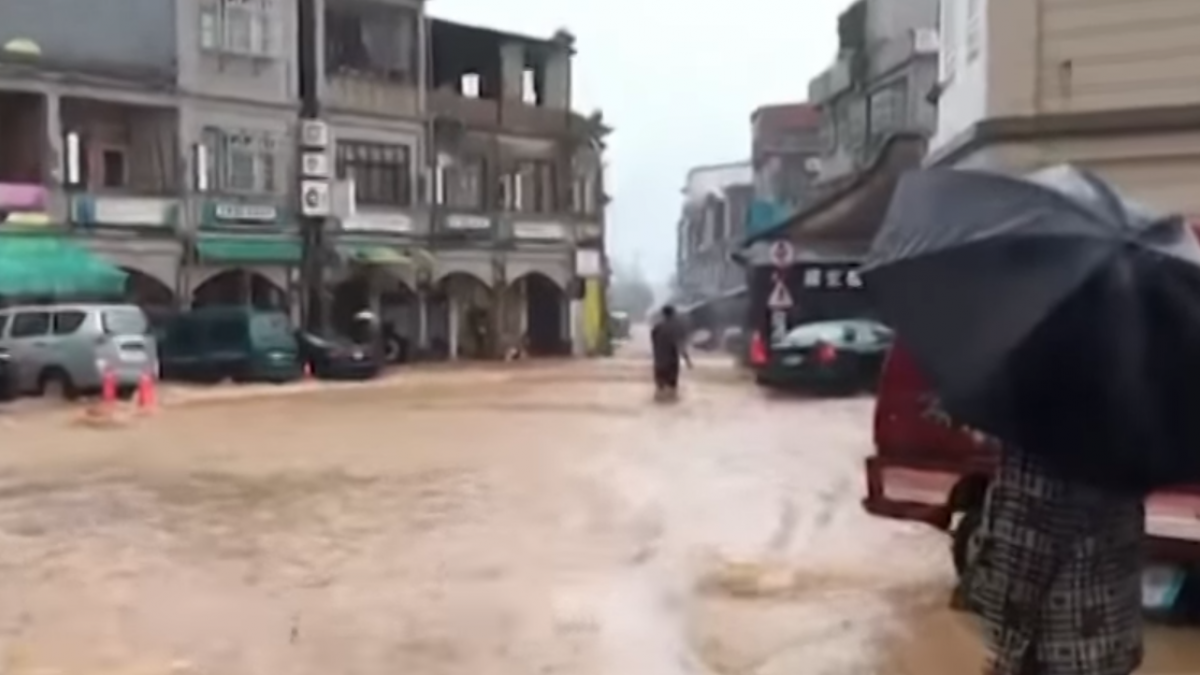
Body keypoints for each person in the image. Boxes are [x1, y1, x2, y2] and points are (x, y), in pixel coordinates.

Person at [962, 444, 1144, 675]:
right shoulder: (1120, 439)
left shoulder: (1037, 451)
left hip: (1052, 649)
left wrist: (1004, 651)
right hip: (1111, 638)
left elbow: (1022, 561)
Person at [650, 305, 691, 397]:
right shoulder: (676, 328)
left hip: (659, 362)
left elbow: (654, 343)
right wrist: (687, 360)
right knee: (672, 388)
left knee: (660, 387)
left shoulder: (657, 328)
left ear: (663, 314)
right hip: (672, 362)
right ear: (673, 314)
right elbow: (680, 345)